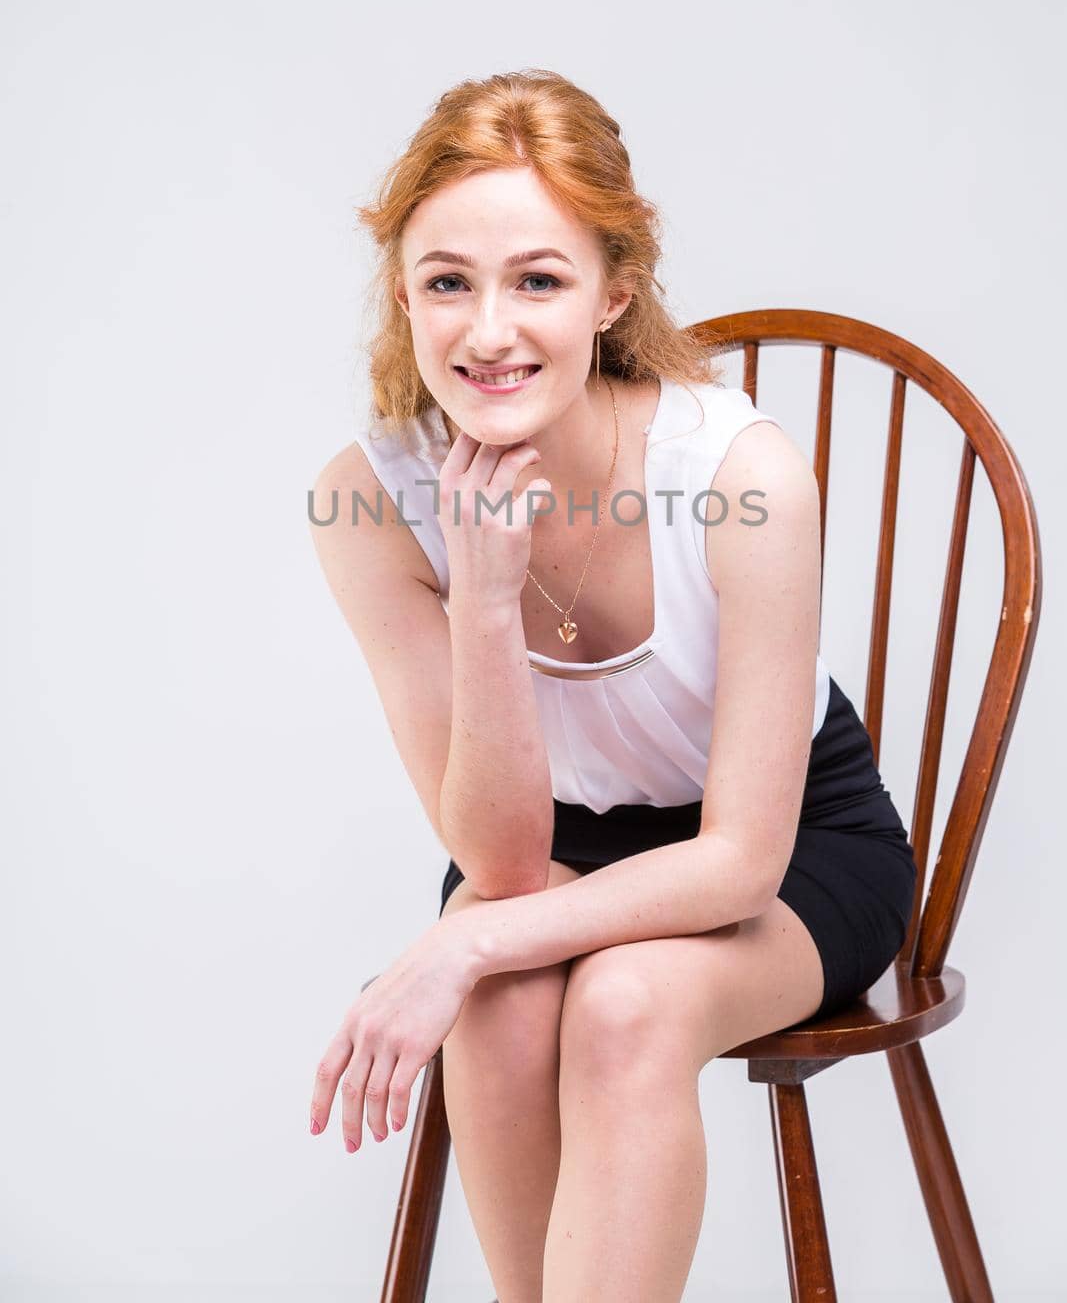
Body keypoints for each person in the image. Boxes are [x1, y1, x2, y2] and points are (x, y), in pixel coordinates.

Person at [306, 68, 917, 1303]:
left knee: (624, 1004)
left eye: (537, 278)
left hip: (788, 844)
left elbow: (739, 860)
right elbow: (504, 858)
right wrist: (482, 598)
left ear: (612, 292)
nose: (488, 331)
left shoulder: (739, 475)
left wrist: (460, 941)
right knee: (502, 1008)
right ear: (404, 298)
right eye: (446, 281)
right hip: (548, 846)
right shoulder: (370, 502)